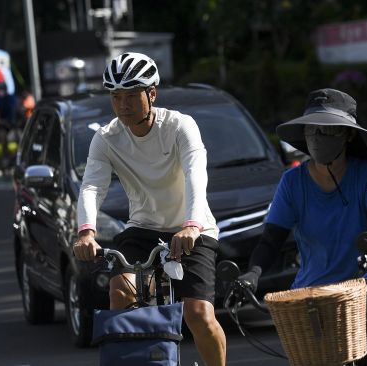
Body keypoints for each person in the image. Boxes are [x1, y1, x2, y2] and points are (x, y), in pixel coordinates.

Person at [72, 52, 226, 365]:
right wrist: (86, 231)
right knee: (121, 293)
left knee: (198, 314)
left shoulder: (181, 126)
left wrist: (192, 225)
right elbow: (91, 185)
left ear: (151, 94)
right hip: (142, 228)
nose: (123, 105)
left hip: (192, 228)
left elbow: (197, 175)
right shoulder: (106, 138)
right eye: (116, 97)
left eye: (131, 96)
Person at [238, 88, 367, 366]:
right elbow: (270, 241)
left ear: (348, 135)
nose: (317, 137)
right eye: (312, 130)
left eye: (327, 130)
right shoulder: (292, 182)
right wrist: (252, 274)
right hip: (312, 290)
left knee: (364, 322)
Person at [0, 81, 18, 170]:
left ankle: (16, 155)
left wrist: (14, 123)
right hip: (0, 124)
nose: (2, 91)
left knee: (19, 137)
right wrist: (3, 123)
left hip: (12, 123)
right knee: (3, 138)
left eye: (4, 89)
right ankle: (5, 157)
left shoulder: (11, 98)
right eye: (1, 89)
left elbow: (15, 110)